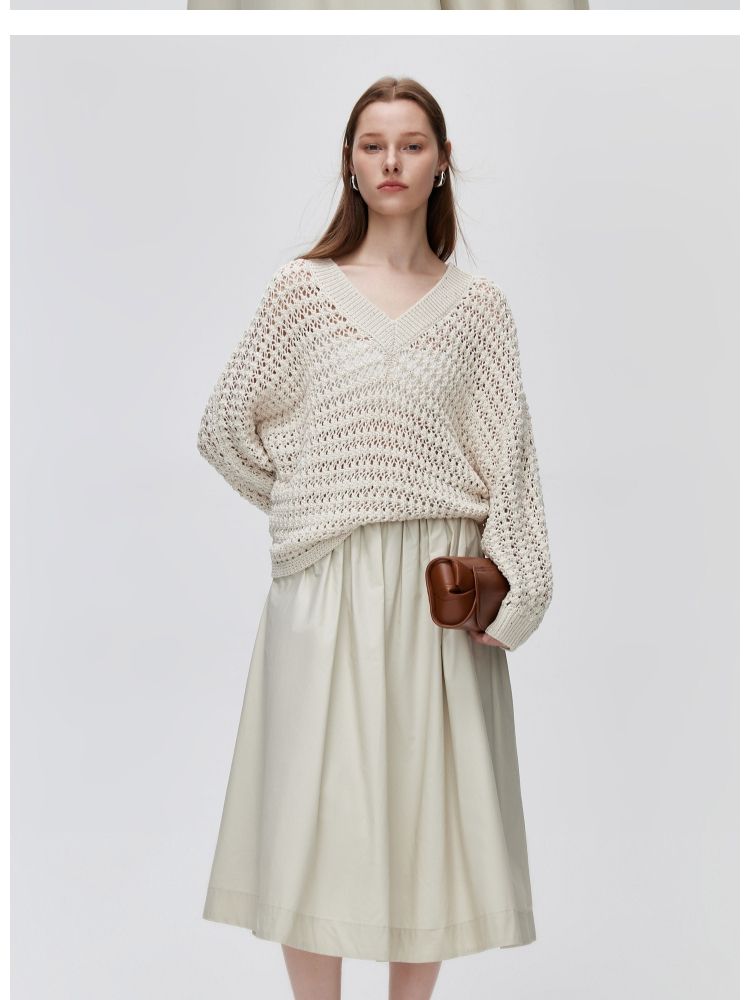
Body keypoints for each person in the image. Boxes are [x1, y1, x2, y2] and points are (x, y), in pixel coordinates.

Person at [196, 75, 554, 1000]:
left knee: (423, 817)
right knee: (316, 817)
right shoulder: (302, 293)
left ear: (441, 165)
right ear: (351, 165)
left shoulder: (479, 309)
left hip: (438, 595)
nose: (392, 160)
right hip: (326, 585)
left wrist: (519, 589)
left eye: (411, 144)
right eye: (372, 144)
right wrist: (316, 502)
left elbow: (510, 459)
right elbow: (226, 428)